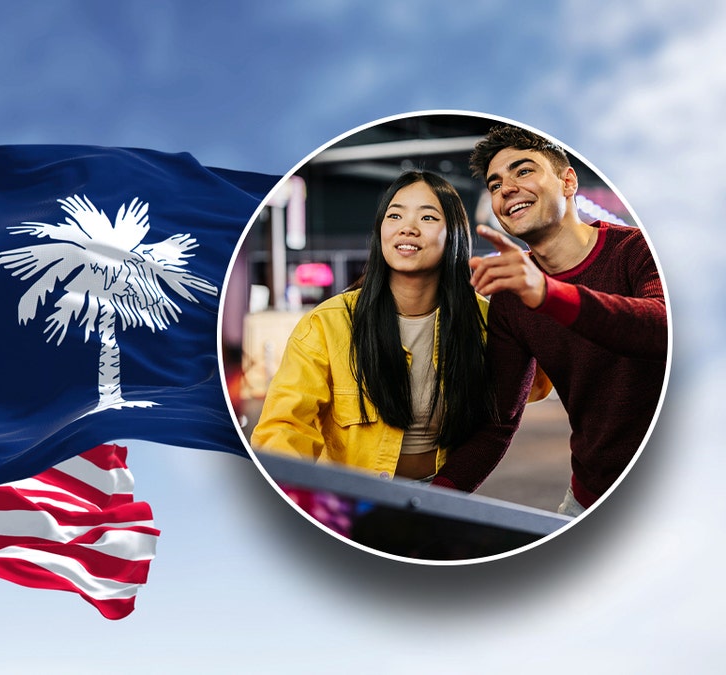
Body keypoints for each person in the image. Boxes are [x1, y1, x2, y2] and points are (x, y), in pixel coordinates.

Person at [432, 125, 668, 517]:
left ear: (568, 180)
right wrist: (430, 500)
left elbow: (662, 330)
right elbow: (498, 423)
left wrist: (547, 293)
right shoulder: (511, 296)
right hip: (590, 497)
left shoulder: (640, 250)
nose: (506, 188)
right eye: (495, 184)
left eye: (523, 171)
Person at [250, 171, 497, 480]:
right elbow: (284, 428)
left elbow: (535, 385)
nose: (407, 228)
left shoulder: (484, 320)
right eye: (394, 215)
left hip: (446, 496)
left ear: (454, 234)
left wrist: (531, 295)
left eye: (428, 218)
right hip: (351, 501)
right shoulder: (328, 323)